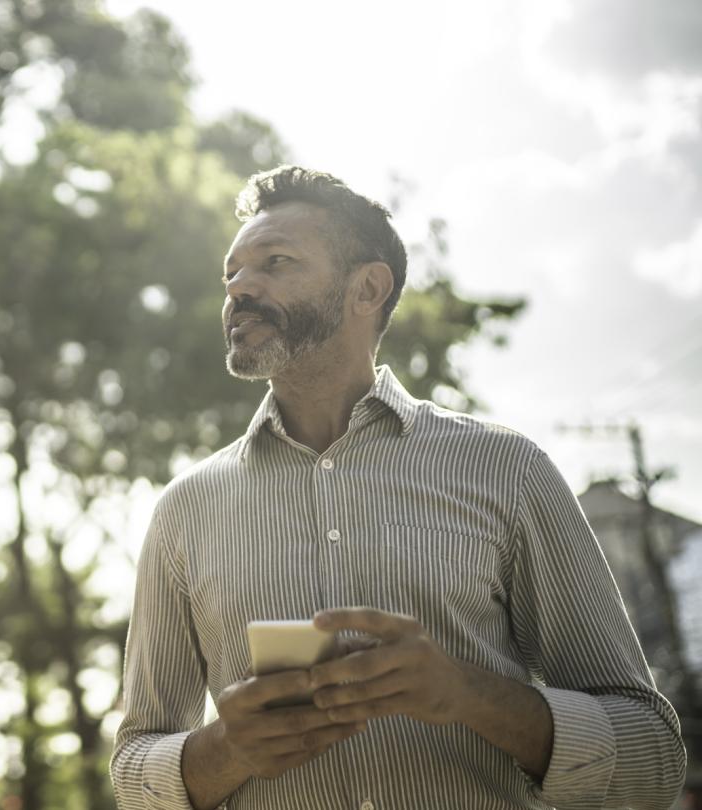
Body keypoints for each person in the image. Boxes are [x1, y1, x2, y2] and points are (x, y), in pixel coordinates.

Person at [109, 165, 686, 809]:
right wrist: (226, 750)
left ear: (367, 289)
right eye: (231, 273)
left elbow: (653, 759)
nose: (240, 288)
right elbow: (134, 766)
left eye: (275, 261)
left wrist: (468, 694)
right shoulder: (184, 509)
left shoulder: (507, 470)